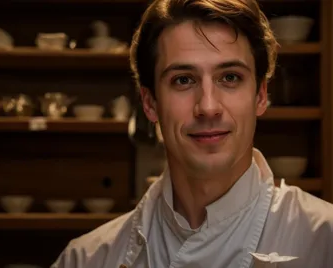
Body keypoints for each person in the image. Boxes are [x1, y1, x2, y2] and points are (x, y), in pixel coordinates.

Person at [51, 0, 333, 267]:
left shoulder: (323, 240)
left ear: (260, 95)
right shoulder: (86, 258)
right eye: (183, 80)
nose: (208, 107)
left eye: (230, 77)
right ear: (150, 103)